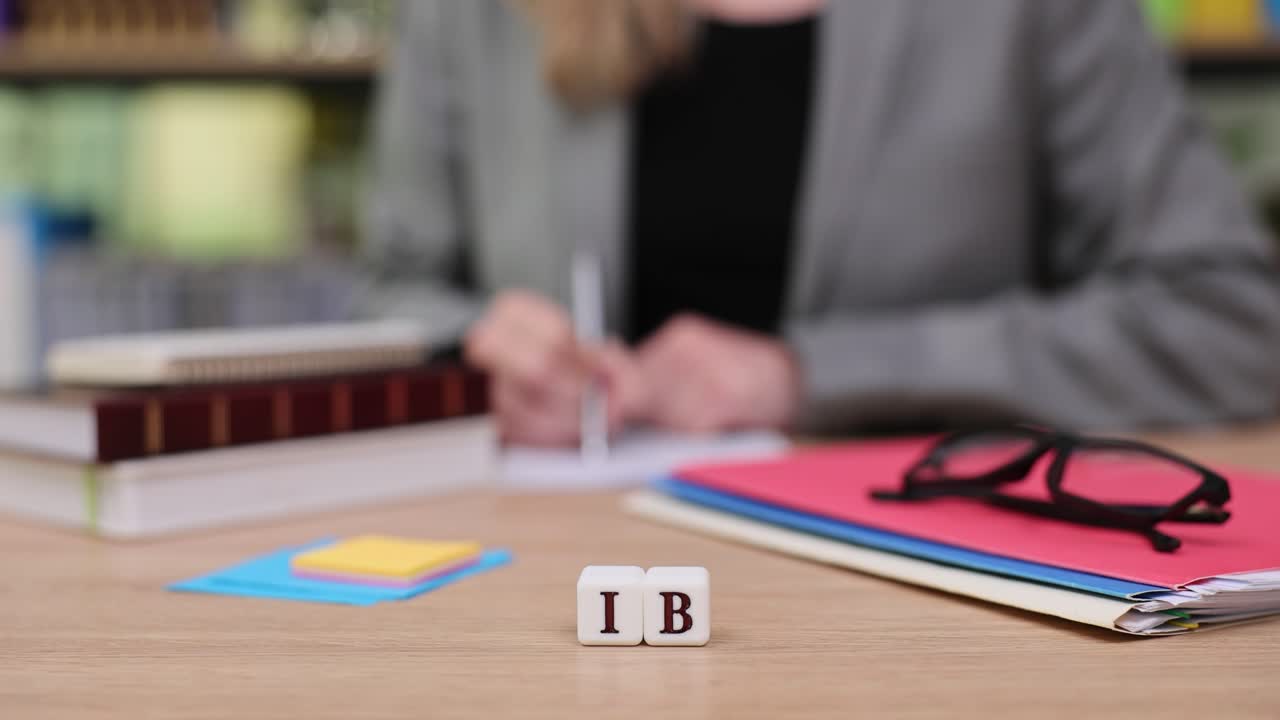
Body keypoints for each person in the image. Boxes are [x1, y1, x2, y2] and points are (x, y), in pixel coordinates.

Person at [362, 0, 1280, 446]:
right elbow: (391, 296)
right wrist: (474, 358)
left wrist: (815, 376)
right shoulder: (470, 14)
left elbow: (1233, 322)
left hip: (927, 606)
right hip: (539, 594)